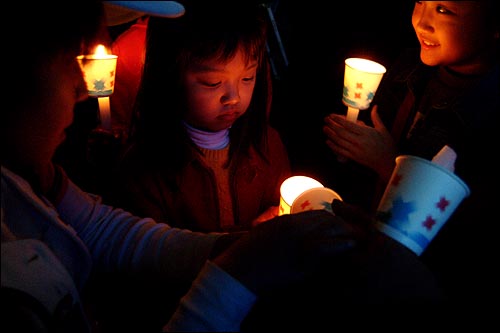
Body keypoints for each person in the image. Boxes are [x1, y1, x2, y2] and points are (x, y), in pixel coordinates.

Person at [323, 0, 499, 307]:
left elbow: (469, 232)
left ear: (494, 25)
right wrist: (349, 145)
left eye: (445, 10)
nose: (423, 22)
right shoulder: (407, 69)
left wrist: (388, 164)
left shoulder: (491, 113)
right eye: (421, 2)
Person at [105, 0, 291, 233]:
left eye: (247, 78)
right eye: (212, 83)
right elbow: (153, 257)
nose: (233, 97)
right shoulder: (143, 170)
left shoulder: (267, 146)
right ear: (170, 77)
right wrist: (248, 237)